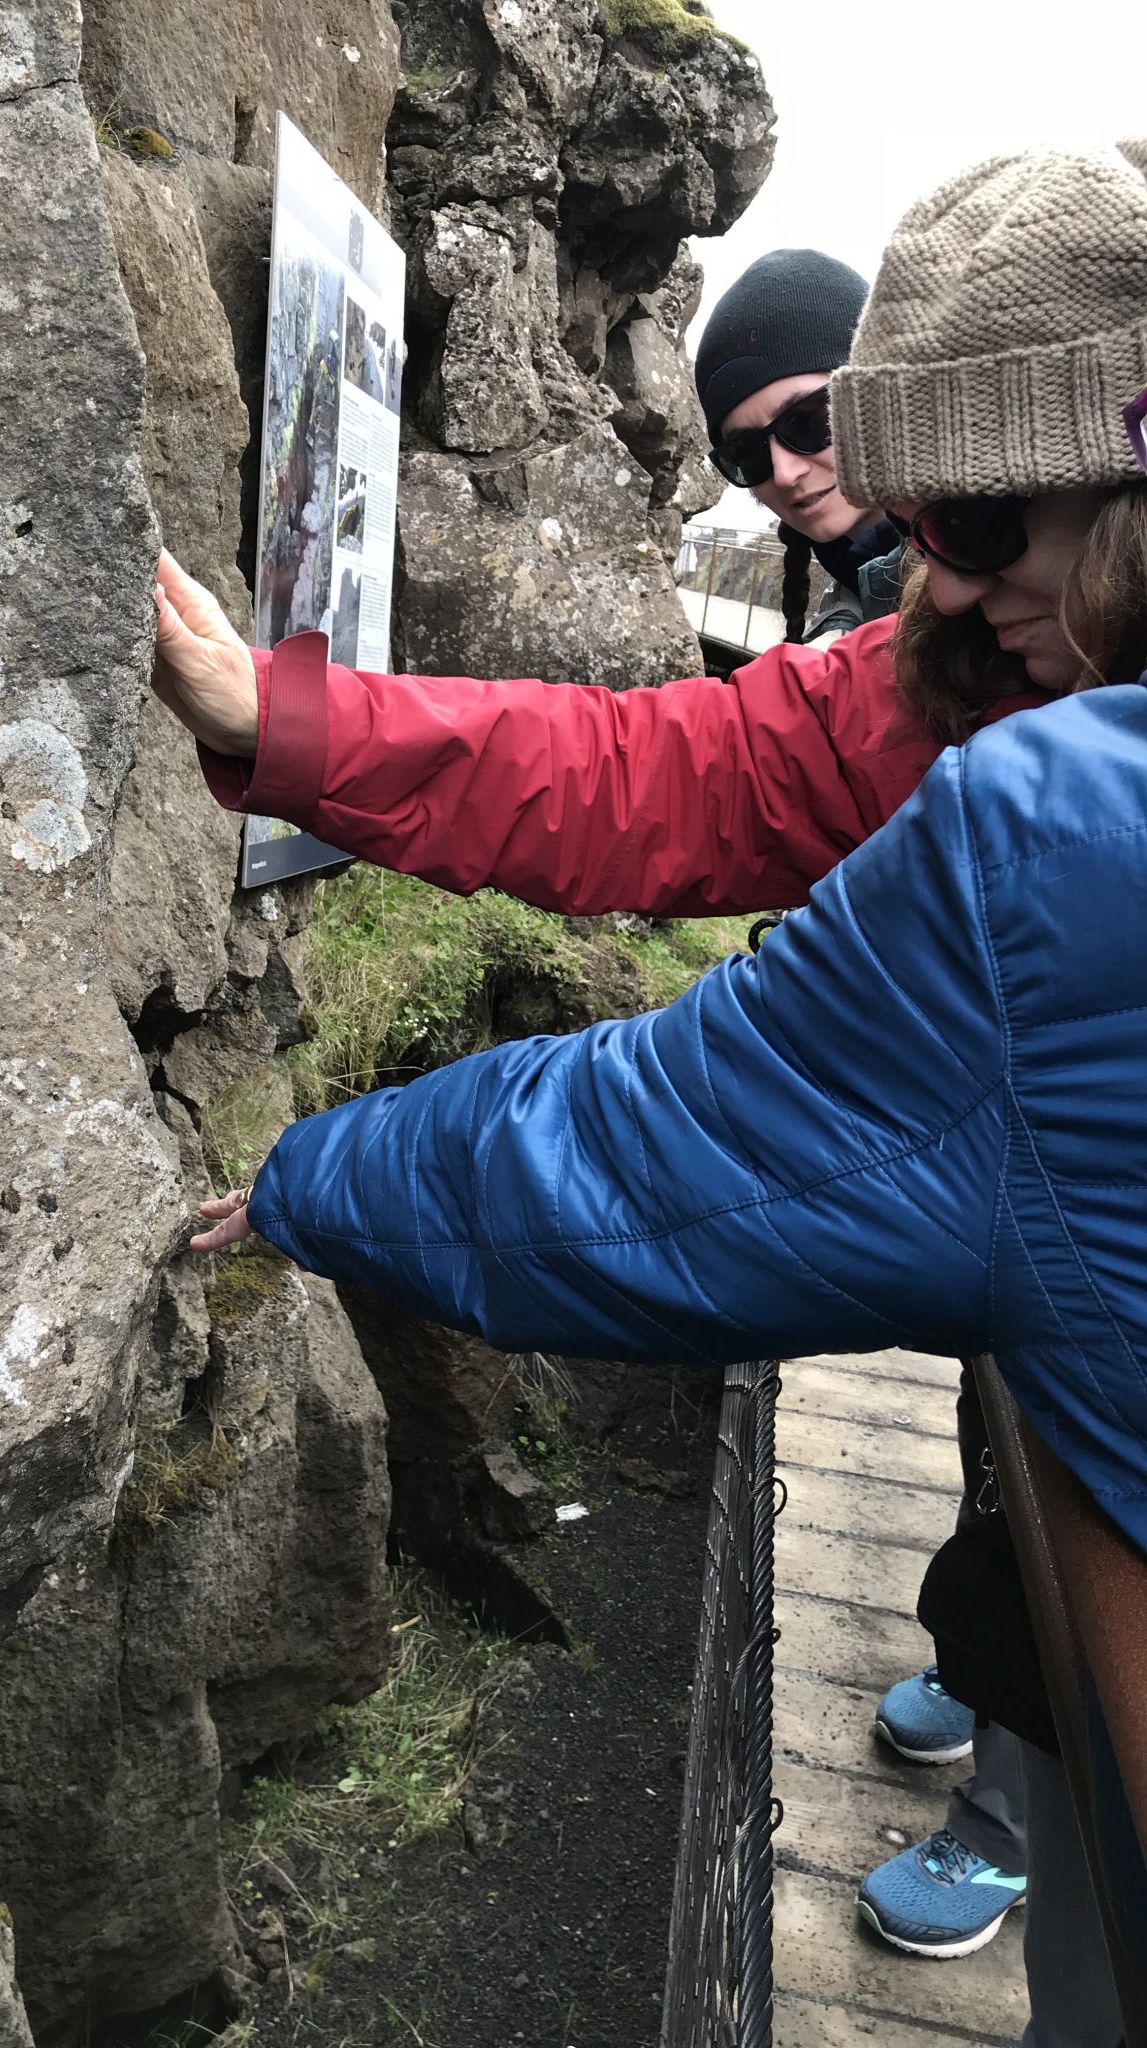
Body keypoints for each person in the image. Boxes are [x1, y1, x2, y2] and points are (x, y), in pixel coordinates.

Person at [155, 140, 1147, 2042]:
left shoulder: (1062, 835)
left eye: (974, 513)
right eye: (907, 513)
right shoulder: (998, 662)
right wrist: (289, 720)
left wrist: (306, 1177)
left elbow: (646, 1160)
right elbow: (669, 767)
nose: (929, 569)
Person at [700, 248, 1033, 1958]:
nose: (781, 467)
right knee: (1000, 1440)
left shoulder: (988, 613)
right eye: (740, 448)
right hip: (980, 1123)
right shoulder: (874, 599)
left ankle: (1010, 1814)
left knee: (1052, 1459)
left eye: (812, 418)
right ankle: (990, 1685)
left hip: (1038, 1138)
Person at [695, 248, 902, 642]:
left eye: (809, 420)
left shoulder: (1003, 569)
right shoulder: (855, 600)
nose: (785, 474)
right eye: (747, 454)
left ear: (880, 394)